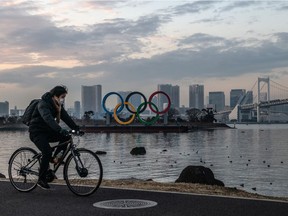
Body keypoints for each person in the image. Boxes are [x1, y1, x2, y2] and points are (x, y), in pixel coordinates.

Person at [29, 85, 79, 190]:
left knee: (66, 137)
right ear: (55, 96)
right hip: (36, 132)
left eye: (64, 97)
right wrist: (59, 129)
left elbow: (66, 117)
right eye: (62, 97)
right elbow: (48, 119)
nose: (63, 99)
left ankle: (55, 158)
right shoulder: (43, 104)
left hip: (47, 131)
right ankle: (41, 179)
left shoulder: (58, 106)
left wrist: (76, 128)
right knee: (47, 151)